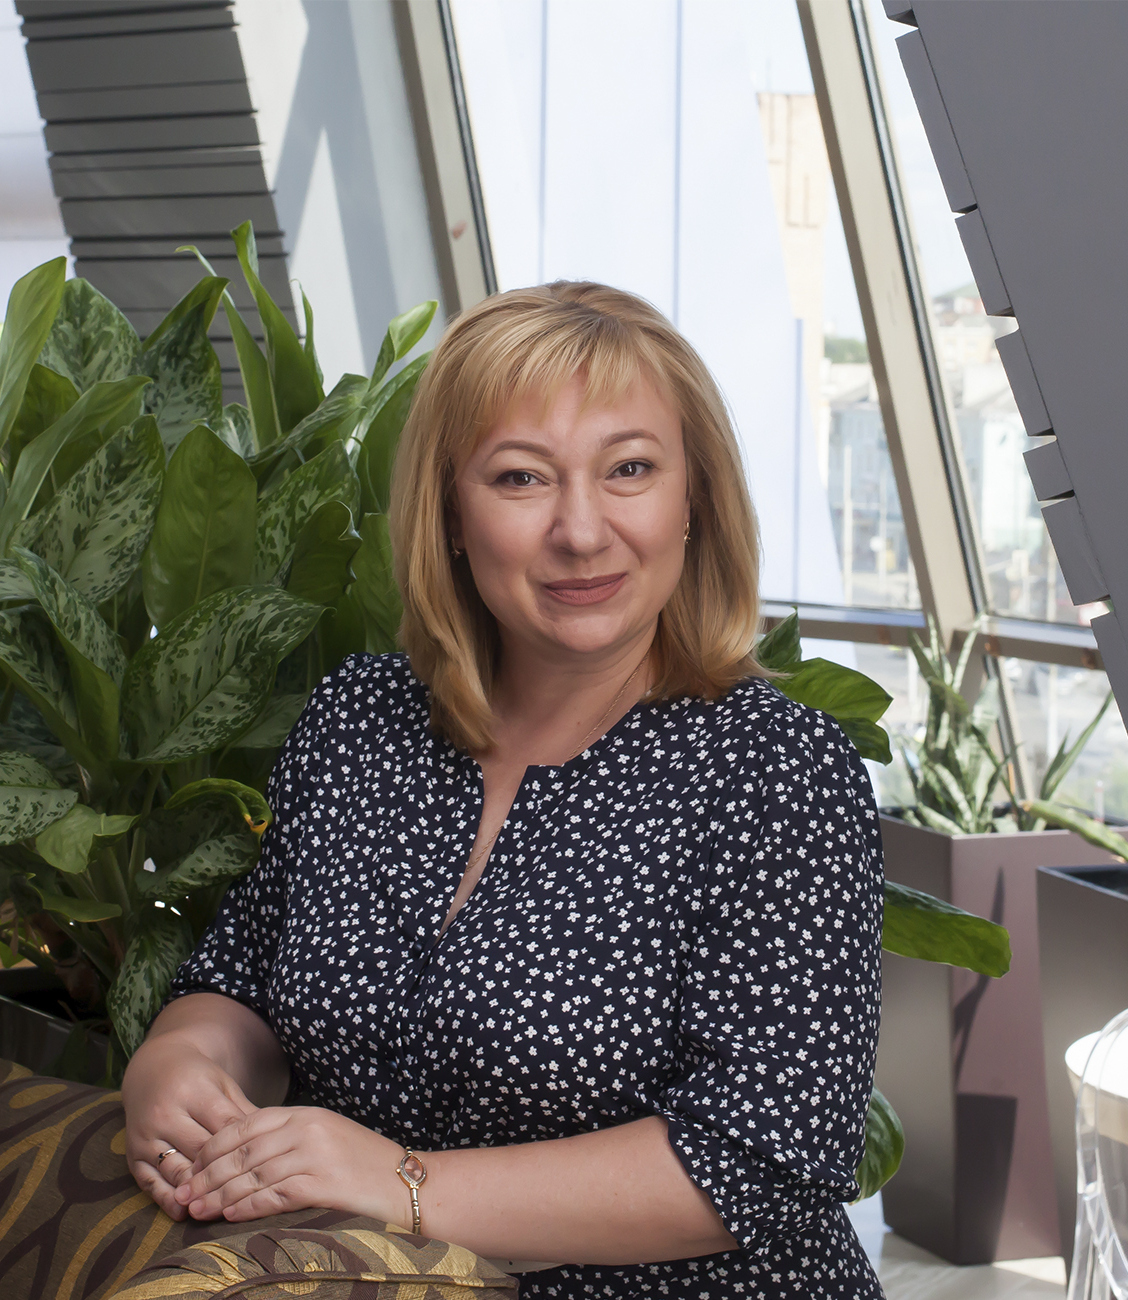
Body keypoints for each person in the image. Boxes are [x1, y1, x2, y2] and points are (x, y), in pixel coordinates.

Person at [121, 281, 884, 1299]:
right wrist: (181, 1062)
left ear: (694, 498)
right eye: (521, 478)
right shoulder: (358, 720)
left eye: (630, 469)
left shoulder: (776, 771)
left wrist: (404, 1182)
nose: (582, 530)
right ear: (449, 511)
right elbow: (248, 978)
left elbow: (760, 1156)